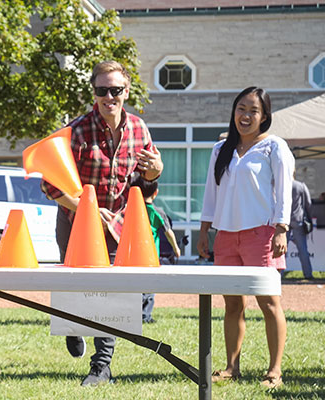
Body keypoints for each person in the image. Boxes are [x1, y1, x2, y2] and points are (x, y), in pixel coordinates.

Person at [41, 60, 163, 386]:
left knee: (109, 292)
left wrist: (157, 168)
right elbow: (50, 185)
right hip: (75, 221)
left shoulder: (139, 129)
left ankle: (102, 366)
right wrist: (86, 210)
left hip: (115, 223)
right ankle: (74, 325)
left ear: (126, 91)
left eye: (116, 90)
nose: (109, 96)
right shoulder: (77, 130)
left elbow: (148, 175)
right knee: (76, 290)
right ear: (94, 92)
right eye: (102, 90)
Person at [197, 87, 294, 389]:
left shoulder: (274, 147)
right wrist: (204, 229)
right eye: (241, 108)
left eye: (253, 110)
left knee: (269, 303)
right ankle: (231, 367)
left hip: (262, 234)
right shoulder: (220, 149)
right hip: (225, 235)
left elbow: (284, 191)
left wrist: (281, 227)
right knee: (232, 306)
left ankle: (274, 371)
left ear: (264, 116)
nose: (246, 115)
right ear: (234, 112)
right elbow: (212, 193)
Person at [129, 172, 181, 324]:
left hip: (132, 254)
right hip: (150, 256)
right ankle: (145, 316)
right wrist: (176, 248)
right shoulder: (157, 212)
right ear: (155, 192)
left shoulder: (130, 209)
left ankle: (132, 313)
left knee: (134, 285)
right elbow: (168, 232)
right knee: (149, 288)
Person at [288, 173, 313, 279]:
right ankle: (308, 274)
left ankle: (279, 274)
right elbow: (308, 203)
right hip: (298, 220)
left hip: (285, 221)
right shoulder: (301, 186)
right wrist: (309, 217)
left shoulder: (282, 185)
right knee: (303, 249)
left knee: (281, 251)